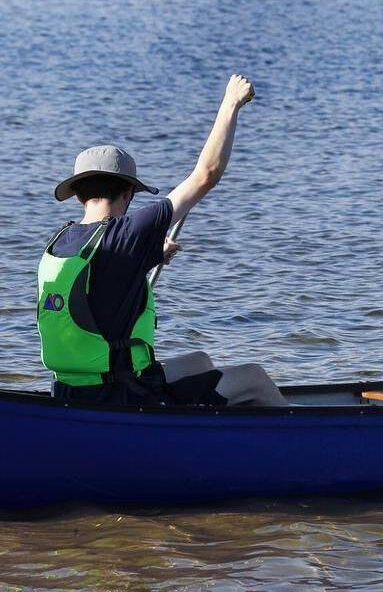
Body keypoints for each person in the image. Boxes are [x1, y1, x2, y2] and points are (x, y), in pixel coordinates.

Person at [37, 74, 288, 408]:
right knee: (254, 377)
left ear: (79, 195)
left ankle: (209, 437)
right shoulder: (127, 232)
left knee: (198, 361)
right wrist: (231, 104)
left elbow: (98, 293)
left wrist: (148, 256)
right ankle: (300, 450)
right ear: (127, 192)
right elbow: (206, 175)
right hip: (118, 396)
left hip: (71, 390)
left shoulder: (62, 240)